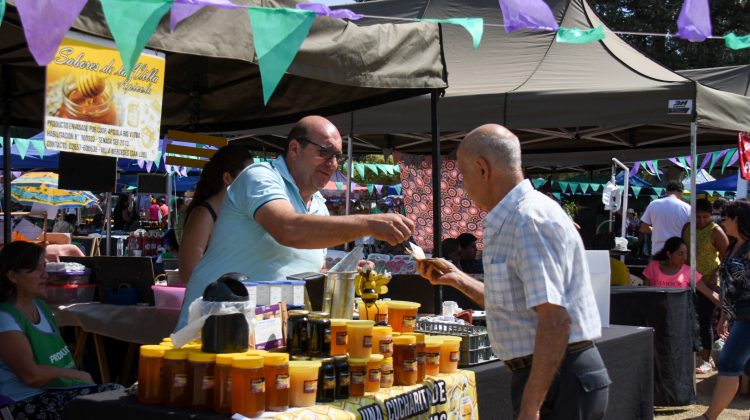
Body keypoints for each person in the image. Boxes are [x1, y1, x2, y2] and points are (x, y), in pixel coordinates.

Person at [417, 124, 609, 419]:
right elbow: (520, 305)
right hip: (553, 376)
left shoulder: (527, 219)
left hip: (560, 378)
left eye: (463, 175)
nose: (462, 185)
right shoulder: (515, 217)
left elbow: (555, 320)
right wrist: (458, 279)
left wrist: (531, 407)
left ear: (482, 169)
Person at [177, 116, 414, 329]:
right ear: (294, 149)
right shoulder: (259, 175)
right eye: (325, 152)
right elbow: (287, 228)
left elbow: (303, 271)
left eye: (337, 157)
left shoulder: (318, 205)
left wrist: (341, 273)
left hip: (260, 331)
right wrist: (369, 223)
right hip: (210, 329)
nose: (332, 164)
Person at [0, 242, 122, 418]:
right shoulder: (5, 318)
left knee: (117, 396)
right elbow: (31, 376)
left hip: (55, 391)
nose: (45, 275)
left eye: (44, 267)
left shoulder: (41, 307)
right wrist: (76, 375)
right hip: (22, 403)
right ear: (12, 276)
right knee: (113, 399)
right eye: (35, 270)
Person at [693, 200, 750, 420]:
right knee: (731, 363)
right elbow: (727, 285)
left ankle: (709, 417)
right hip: (740, 315)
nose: (721, 221)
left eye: (724, 218)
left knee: (729, 363)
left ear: (736, 219)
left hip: (747, 315)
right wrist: (725, 314)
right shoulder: (734, 244)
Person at [178, 144, 254, 284]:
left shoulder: (245, 210)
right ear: (227, 178)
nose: (254, 181)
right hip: (208, 300)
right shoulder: (204, 214)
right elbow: (187, 272)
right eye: (248, 175)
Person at [682, 198, 729, 373]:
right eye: (698, 217)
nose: (701, 220)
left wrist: (716, 274)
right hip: (688, 281)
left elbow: (727, 259)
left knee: (704, 320)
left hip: (709, 282)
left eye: (705, 217)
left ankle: (706, 358)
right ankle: (693, 353)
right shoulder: (687, 228)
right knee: (689, 319)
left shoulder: (716, 231)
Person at [639, 181, 690, 257]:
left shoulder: (654, 204)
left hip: (658, 252)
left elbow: (643, 228)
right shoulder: (687, 208)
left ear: (666, 191)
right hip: (678, 253)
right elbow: (690, 232)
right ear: (682, 192)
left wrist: (655, 229)